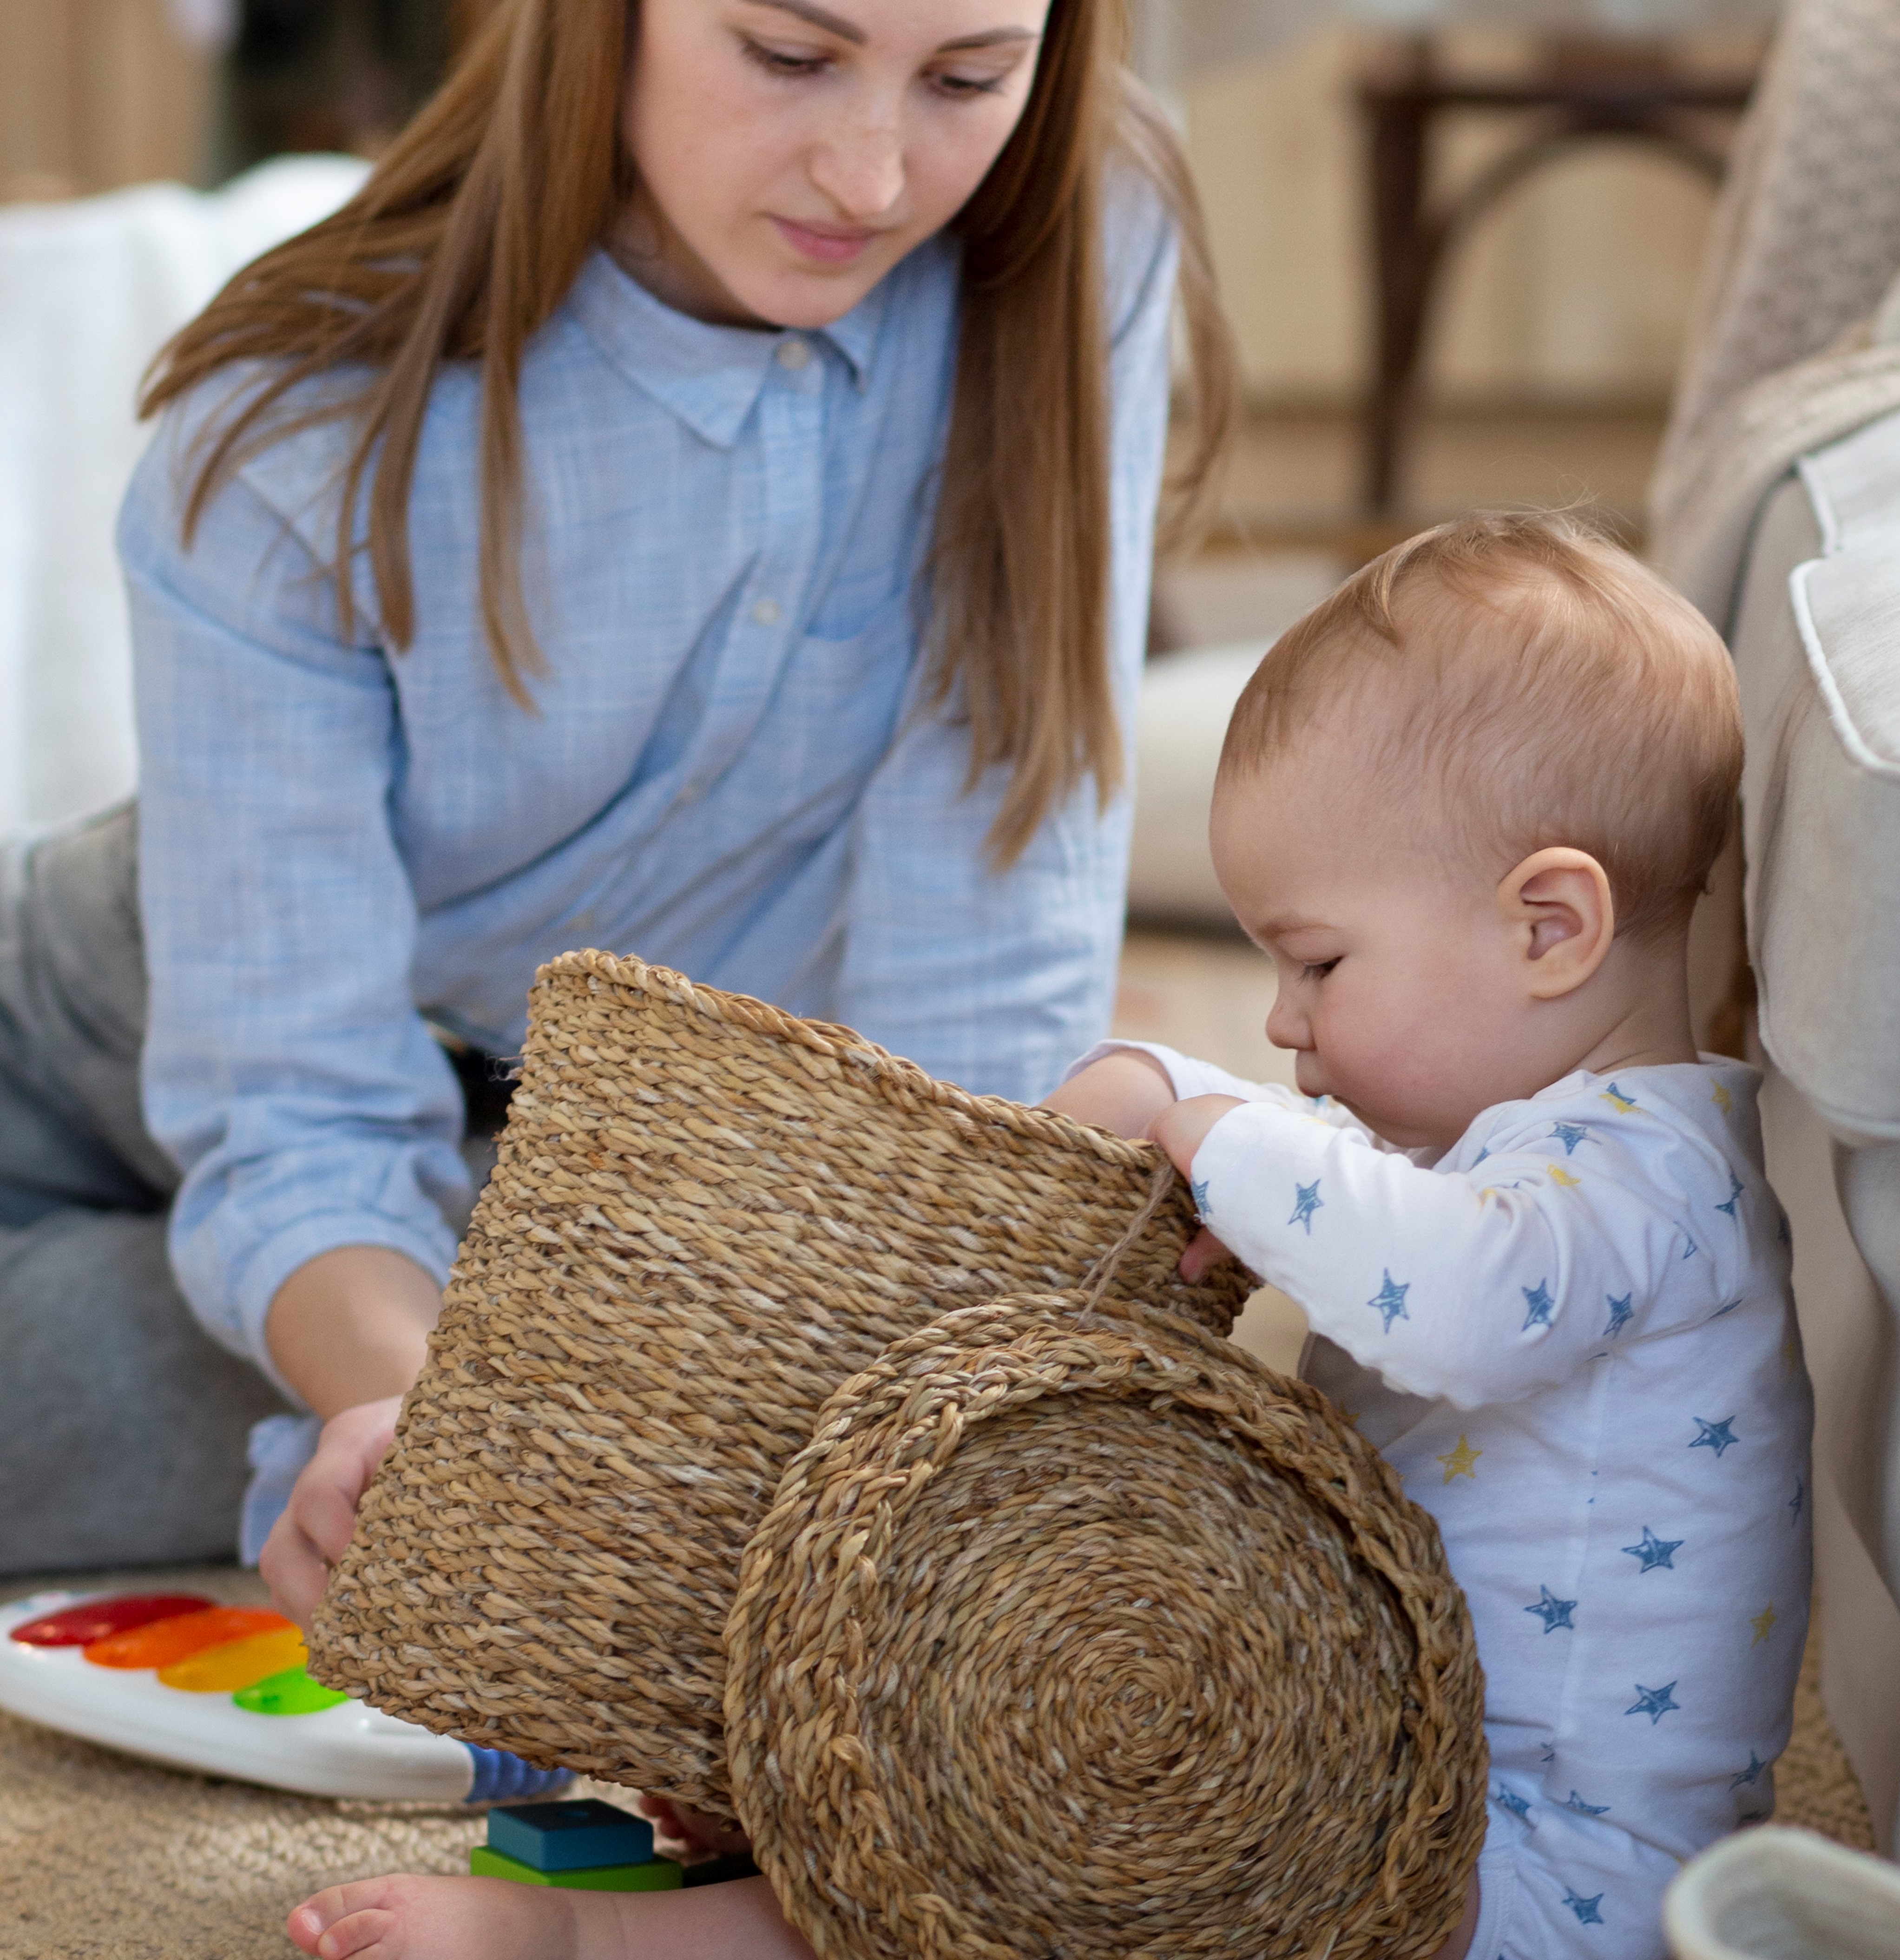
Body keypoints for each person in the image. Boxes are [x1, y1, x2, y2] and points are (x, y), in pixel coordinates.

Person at [283, 512, 1809, 1960]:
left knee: (1037, 1875)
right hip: (1413, 1783)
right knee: (1008, 1768)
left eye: (1319, 963)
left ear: (1551, 928)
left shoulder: (1658, 1176)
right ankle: (767, 1838)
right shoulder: (1513, 1162)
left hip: (1542, 1883)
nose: (1285, 1023)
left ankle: (604, 1938)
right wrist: (1177, 1105)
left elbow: (1458, 1301)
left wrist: (1221, 1131)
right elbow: (1406, 1228)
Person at [0, 0, 1230, 1582]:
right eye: (789, 57)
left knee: (564, 1471)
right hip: (112, 1022)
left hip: (572, 1180)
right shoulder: (298, 417)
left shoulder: (1074, 234)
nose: (872, 177)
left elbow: (982, 969)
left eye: (967, 77)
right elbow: (291, 1102)